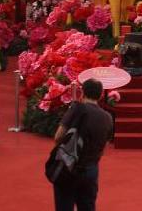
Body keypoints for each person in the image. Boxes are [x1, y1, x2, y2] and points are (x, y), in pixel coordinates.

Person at [52, 78, 114, 211]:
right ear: (100, 94)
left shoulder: (76, 109)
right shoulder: (107, 117)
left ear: (83, 92)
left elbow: (58, 136)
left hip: (69, 167)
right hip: (91, 169)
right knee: (87, 206)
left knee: (64, 205)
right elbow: (104, 147)